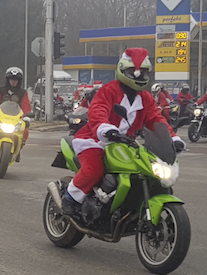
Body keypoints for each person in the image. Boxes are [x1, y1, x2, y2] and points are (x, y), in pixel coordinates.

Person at [61, 48, 184, 217]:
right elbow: (97, 110)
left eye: (142, 73)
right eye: (132, 72)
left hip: (126, 143)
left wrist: (172, 138)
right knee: (94, 170)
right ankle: (70, 199)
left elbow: (156, 119)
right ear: (122, 70)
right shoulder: (109, 90)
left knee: (143, 169)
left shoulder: (146, 97)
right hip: (95, 140)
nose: (138, 76)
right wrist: (106, 128)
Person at [0, 66, 32, 157]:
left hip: (16, 119)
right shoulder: (0, 90)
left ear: (19, 81)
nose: (13, 81)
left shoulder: (23, 93)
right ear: (8, 79)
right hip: (0, 117)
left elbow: (26, 105)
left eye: (16, 79)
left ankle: (17, 150)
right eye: (11, 79)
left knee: (25, 132)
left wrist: (27, 117)